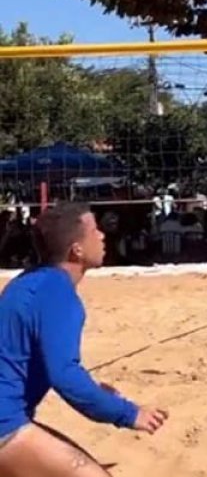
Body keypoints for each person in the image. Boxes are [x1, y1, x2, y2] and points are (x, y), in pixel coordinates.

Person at [0, 202, 168, 477]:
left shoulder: (29, 282)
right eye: (95, 230)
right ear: (76, 249)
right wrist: (128, 413)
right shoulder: (58, 294)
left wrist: (98, 392)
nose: (102, 236)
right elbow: (65, 377)